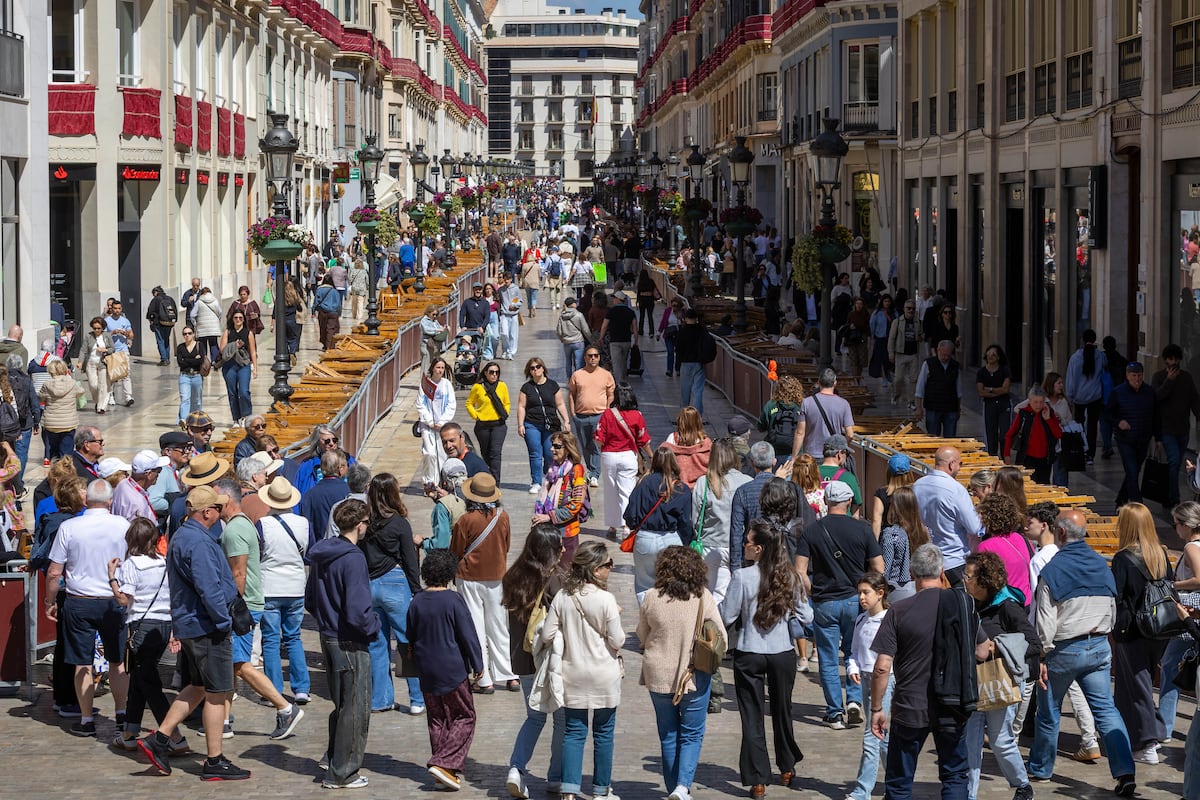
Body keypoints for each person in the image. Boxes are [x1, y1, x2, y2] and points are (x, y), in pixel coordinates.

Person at [135, 486, 251, 780]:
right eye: (218, 507)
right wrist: (223, 622)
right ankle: (214, 760)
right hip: (206, 626)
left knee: (199, 686)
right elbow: (208, 587)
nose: (222, 511)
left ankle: (159, 738)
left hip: (194, 624)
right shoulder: (197, 541)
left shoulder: (186, 536)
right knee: (216, 692)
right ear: (207, 512)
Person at [1026, 510, 1136, 795]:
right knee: (1106, 711)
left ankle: (1041, 769)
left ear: (1060, 533)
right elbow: (1112, 608)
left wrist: (1041, 655)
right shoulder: (1101, 564)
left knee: (1048, 711)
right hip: (1099, 644)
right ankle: (1125, 772)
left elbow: (1045, 620)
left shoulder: (1052, 569)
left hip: (1064, 648)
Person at [868, 544, 979, 800]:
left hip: (910, 706)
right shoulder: (962, 606)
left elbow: (882, 666)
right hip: (952, 703)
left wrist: (876, 709)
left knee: (898, 783)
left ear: (912, 572)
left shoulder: (899, 610)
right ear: (942, 571)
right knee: (954, 776)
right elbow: (983, 650)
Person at [721, 521, 805, 798]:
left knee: (752, 716)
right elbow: (808, 616)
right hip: (782, 652)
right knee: (783, 710)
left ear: (758, 549)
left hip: (750, 651)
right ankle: (787, 765)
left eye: (747, 541)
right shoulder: (789, 576)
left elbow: (727, 615)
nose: (744, 544)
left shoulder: (743, 577)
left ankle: (758, 779)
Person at [217, 478, 306, 739]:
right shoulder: (248, 524)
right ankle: (223, 721)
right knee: (236, 662)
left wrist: (232, 607)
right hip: (290, 588)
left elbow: (239, 574)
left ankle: (284, 706)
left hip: (249, 601)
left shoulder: (237, 529)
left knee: (240, 663)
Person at [44, 478, 130, 737]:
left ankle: (85, 718)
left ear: (85, 500)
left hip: (79, 601)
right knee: (117, 662)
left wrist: (49, 602)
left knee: (82, 664)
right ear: (111, 501)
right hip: (113, 600)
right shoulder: (123, 525)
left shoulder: (70, 527)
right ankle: (121, 714)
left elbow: (54, 572)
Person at [638, 546, 724, 800]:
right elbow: (721, 635)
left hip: (658, 672)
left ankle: (673, 787)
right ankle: (682, 787)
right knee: (692, 733)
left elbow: (642, 635)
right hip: (693, 673)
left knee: (668, 733)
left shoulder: (651, 597)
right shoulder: (702, 596)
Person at [796, 480, 884, 729]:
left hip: (825, 601)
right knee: (854, 653)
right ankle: (854, 701)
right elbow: (878, 567)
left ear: (825, 501)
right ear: (848, 502)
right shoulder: (863, 530)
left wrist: (813, 592)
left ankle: (834, 712)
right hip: (856, 600)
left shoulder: (812, 530)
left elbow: (799, 571)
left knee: (827, 656)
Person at [541, 541, 625, 800]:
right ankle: (601, 791)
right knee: (603, 734)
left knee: (574, 733)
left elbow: (547, 634)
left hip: (573, 673)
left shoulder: (563, 597)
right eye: (608, 564)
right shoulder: (606, 600)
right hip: (604, 674)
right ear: (595, 569)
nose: (611, 568)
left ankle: (569, 790)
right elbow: (618, 641)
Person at [305, 499, 380, 789]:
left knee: (341, 704)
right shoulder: (353, 558)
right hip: (350, 639)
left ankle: (333, 758)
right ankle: (343, 771)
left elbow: (310, 599)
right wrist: (373, 626)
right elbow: (358, 610)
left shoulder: (322, 555)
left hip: (328, 635)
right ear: (360, 524)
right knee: (355, 707)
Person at [406, 549, 485, 792]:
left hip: (426, 670)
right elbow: (468, 635)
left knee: (437, 719)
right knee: (465, 716)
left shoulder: (416, 600)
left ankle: (444, 772)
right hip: (452, 670)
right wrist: (478, 664)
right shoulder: (453, 600)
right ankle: (443, 762)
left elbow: (410, 634)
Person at [961, 552, 1038, 800]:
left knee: (1000, 740)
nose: (964, 579)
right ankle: (968, 794)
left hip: (998, 682)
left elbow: (1033, 643)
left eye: (969, 575)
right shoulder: (967, 603)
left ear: (984, 580)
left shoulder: (1007, 607)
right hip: (971, 682)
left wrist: (997, 646)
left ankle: (1022, 785)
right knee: (970, 742)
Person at [501, 524, 567, 799]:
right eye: (559, 546)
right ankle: (557, 777)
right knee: (562, 721)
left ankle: (516, 768)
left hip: (523, 660)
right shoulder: (556, 580)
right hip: (551, 661)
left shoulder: (513, 576)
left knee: (535, 717)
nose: (564, 549)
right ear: (550, 551)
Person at [106, 517, 184, 751]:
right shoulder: (163, 562)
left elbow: (123, 599)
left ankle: (175, 736)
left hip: (141, 625)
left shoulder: (132, 564)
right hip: (163, 625)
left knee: (148, 682)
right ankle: (130, 732)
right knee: (140, 678)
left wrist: (112, 578)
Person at [1111, 503, 1172, 763]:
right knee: (1133, 685)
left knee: (1137, 686)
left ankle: (1148, 741)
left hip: (1132, 630)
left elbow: (1117, 595)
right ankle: (1142, 734)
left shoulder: (1124, 558)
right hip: (1160, 628)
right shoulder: (1160, 554)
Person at [360, 473, 424, 715]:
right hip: (395, 583)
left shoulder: (365, 524)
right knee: (407, 643)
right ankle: (417, 699)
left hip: (371, 585)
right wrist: (416, 591)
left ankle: (381, 699)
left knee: (377, 644)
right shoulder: (399, 523)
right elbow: (410, 561)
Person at [451, 473, 517, 693]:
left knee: (476, 627)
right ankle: (510, 675)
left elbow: (456, 551)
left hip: (469, 577)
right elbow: (506, 546)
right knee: (499, 626)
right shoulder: (503, 516)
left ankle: (483, 679)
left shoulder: (465, 520)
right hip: (496, 576)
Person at [254, 476, 313, 704]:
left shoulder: (263, 524)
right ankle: (301, 688)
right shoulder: (303, 523)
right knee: (293, 637)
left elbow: (258, 553)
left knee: (270, 639)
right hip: (296, 586)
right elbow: (307, 552)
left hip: (269, 586)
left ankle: (274, 690)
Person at [624, 446, 694, 604]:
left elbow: (630, 515)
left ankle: (647, 623)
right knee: (671, 585)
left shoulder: (643, 483)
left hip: (645, 538)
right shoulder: (681, 488)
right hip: (671, 539)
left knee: (644, 586)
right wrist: (686, 543)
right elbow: (685, 522)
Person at [846, 572, 892, 800]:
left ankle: (862, 791)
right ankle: (897, 780)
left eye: (866, 592)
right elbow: (854, 651)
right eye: (860, 593)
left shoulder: (889, 620)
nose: (862, 597)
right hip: (864, 678)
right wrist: (852, 667)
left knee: (872, 735)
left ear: (880, 593)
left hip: (883, 681)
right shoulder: (861, 619)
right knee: (881, 734)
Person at [693, 438, 753, 605]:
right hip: (739, 546)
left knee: (710, 595)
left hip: (711, 545)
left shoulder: (703, 483)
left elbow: (696, 520)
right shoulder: (747, 481)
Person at [912, 447, 981, 585]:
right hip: (954, 561)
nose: (960, 468)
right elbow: (974, 528)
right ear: (951, 464)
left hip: (925, 559)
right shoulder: (956, 489)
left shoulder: (917, 485)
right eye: (960, 464)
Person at [1162, 501, 1200, 739]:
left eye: (1176, 524)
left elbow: (1199, 579)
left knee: (1169, 667)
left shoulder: (1190, 548)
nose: (1175, 529)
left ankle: (1164, 726)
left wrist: (1172, 585)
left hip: (1190, 611)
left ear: (1186, 525)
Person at [595, 381, 649, 538]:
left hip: (609, 456)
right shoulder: (637, 415)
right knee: (627, 491)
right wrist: (651, 455)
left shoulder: (607, 414)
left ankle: (612, 525)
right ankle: (627, 526)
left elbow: (599, 439)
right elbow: (643, 439)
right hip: (628, 456)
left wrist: (603, 448)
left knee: (611, 491)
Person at [1152, 343, 1200, 509]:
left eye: (1175, 359)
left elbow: (1194, 399)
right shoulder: (1159, 377)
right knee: (1173, 462)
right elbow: (1156, 397)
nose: (1172, 363)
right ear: (1165, 360)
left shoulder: (1186, 378)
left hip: (1183, 429)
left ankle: (1168, 494)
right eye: (1169, 359)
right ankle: (1174, 498)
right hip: (1167, 429)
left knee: (1176, 463)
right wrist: (1169, 381)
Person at [533, 431, 589, 567]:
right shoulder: (553, 468)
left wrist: (549, 517)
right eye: (552, 445)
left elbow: (576, 504)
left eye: (557, 446)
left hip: (566, 532)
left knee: (564, 571)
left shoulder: (577, 471)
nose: (552, 449)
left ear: (568, 449)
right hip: (548, 530)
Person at [1107, 361, 1157, 508]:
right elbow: (1107, 414)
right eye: (1134, 375)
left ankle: (1120, 500)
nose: (1137, 379)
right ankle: (1138, 505)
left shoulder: (1149, 392)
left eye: (1140, 375)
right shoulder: (1118, 392)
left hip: (1143, 439)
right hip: (1125, 439)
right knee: (1132, 471)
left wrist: (1158, 437)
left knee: (1133, 472)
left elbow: (1156, 415)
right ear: (1127, 376)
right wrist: (1119, 422)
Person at [518, 356, 570, 494]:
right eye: (532, 368)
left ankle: (549, 478)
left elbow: (560, 404)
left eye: (538, 367)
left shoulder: (552, 385)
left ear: (543, 368)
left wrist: (566, 420)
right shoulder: (526, 388)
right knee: (535, 453)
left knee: (550, 453)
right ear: (529, 371)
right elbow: (521, 406)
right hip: (532, 424)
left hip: (551, 425)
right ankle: (535, 481)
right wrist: (520, 424)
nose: (535, 370)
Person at [568, 344, 616, 486]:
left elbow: (611, 395)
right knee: (585, 446)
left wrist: (607, 411)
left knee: (596, 445)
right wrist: (572, 414)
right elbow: (571, 394)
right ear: (585, 358)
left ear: (599, 357)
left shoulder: (606, 375)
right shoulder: (577, 375)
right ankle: (591, 470)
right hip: (580, 416)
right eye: (590, 356)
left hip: (599, 416)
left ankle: (594, 473)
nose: (593, 358)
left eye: (596, 356)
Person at [976, 494, 1034, 604]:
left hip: (1004, 606)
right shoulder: (1023, 539)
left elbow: (984, 583)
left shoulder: (985, 546)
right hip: (1027, 602)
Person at [1002, 385, 1062, 485]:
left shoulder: (1049, 413)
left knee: (1044, 485)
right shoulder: (1023, 414)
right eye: (1035, 402)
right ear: (1029, 401)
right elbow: (1009, 435)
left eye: (1041, 402)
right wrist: (1007, 455)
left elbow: (1058, 434)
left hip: (1045, 460)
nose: (1038, 405)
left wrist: (1048, 420)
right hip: (1027, 459)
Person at [878, 487, 928, 603]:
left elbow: (885, 569)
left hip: (896, 590)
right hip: (919, 586)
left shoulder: (891, 534)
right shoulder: (924, 531)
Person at [1065, 330, 1108, 465]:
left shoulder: (1075, 358)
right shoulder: (1100, 357)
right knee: (1092, 425)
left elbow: (1071, 380)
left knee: (1079, 424)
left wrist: (1070, 396)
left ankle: (1080, 450)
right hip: (1095, 396)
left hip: (1078, 397)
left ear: (1082, 339)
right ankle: (1090, 454)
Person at [466, 360, 511, 482]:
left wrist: (505, 413)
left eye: (497, 372)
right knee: (485, 454)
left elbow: (507, 402)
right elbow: (469, 403)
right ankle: (487, 480)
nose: (494, 375)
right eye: (491, 372)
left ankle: (496, 483)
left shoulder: (502, 386)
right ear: (485, 373)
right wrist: (476, 415)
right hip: (482, 426)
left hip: (499, 425)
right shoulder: (478, 387)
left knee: (495, 454)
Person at [797, 368, 856, 458]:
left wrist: (794, 457)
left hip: (811, 454)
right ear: (835, 383)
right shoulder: (844, 404)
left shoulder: (807, 403)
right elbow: (850, 434)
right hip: (834, 455)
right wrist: (842, 448)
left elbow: (800, 433)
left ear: (819, 382)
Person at [416, 357, 456, 486]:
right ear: (433, 368)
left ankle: (440, 482)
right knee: (430, 453)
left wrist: (443, 421)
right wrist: (429, 421)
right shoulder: (425, 385)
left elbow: (451, 405)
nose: (440, 370)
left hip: (442, 426)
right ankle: (429, 482)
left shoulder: (447, 385)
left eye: (442, 368)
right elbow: (420, 404)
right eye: (438, 367)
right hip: (427, 426)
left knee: (442, 454)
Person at [915, 341, 963, 437]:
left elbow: (958, 390)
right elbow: (920, 387)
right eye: (943, 355)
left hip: (950, 407)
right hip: (933, 406)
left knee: (950, 437)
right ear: (938, 350)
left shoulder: (955, 366)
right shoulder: (928, 364)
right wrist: (918, 408)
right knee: (933, 437)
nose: (945, 358)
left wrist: (958, 409)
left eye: (948, 355)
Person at [218, 308, 257, 425]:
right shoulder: (228, 332)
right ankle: (236, 418)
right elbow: (222, 349)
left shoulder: (248, 333)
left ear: (244, 319)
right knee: (232, 393)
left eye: (240, 318)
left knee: (244, 391)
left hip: (244, 365)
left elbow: (253, 351)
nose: (238, 320)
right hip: (229, 365)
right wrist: (234, 345)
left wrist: (255, 368)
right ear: (232, 319)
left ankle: (246, 416)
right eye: (236, 318)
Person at [674, 309, 716, 417]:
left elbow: (678, 348)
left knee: (685, 391)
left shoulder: (682, 332)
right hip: (699, 363)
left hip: (686, 363)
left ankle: (683, 415)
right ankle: (698, 416)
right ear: (696, 318)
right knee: (698, 391)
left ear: (686, 318)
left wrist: (677, 364)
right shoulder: (702, 331)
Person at [38, 359, 83, 459]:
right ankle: (66, 468)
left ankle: (53, 465)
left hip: (51, 423)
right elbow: (81, 392)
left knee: (52, 450)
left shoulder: (47, 384)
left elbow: (41, 397)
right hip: (68, 422)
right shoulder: (73, 383)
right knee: (67, 452)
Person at [758, 375, 805, 462]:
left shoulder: (771, 405)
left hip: (774, 452)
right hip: (796, 452)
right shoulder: (802, 406)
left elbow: (760, 426)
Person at [976, 344, 1013, 457]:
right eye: (989, 353)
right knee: (990, 434)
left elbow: (1005, 389)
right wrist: (997, 393)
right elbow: (981, 392)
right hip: (989, 405)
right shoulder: (981, 372)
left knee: (1004, 434)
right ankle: (992, 457)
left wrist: (990, 389)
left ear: (998, 357)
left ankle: (1004, 457)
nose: (990, 356)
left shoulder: (1005, 371)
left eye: (994, 354)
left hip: (1004, 404)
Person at [663, 406, 712, 488]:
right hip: (701, 487)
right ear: (698, 421)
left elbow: (664, 462)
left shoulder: (672, 439)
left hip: (678, 487)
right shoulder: (706, 442)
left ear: (680, 421)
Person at [888, 299, 924, 408]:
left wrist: (921, 337)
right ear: (904, 309)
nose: (911, 310)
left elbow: (922, 335)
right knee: (898, 378)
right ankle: (896, 394)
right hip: (900, 353)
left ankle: (911, 401)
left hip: (913, 354)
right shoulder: (897, 321)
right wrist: (891, 353)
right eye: (908, 308)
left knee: (913, 379)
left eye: (913, 308)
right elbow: (891, 338)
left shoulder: (918, 322)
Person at [75, 317, 115, 414]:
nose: (97, 330)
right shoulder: (89, 337)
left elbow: (112, 348)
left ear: (102, 328)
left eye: (99, 328)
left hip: (103, 363)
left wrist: (105, 350)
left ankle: (101, 407)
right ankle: (98, 401)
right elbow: (83, 350)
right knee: (93, 385)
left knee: (103, 385)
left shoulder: (107, 336)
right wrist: (80, 361)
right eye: (95, 328)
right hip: (91, 363)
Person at [871, 453, 915, 536]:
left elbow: (876, 520)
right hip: (911, 537)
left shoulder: (881, 493)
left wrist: (874, 545)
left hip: (889, 539)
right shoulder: (915, 491)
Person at [600, 290, 637, 384]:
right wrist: (636, 341)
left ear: (618, 299)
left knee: (616, 363)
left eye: (614, 298)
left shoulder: (611, 311)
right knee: (624, 362)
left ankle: (618, 383)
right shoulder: (630, 312)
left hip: (614, 341)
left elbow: (604, 326)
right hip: (627, 340)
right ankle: (623, 380)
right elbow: (635, 328)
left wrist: (601, 337)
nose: (613, 300)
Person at [104, 300, 136, 406]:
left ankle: (128, 396)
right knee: (112, 375)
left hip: (123, 350)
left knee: (126, 373)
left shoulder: (125, 321)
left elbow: (131, 335)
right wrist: (113, 332)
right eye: (115, 308)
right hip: (112, 351)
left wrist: (126, 334)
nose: (117, 310)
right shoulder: (107, 321)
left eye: (119, 308)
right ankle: (111, 396)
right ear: (111, 309)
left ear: (121, 309)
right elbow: (102, 336)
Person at [555, 296, 591, 380]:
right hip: (578, 342)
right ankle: (578, 379)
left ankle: (569, 379)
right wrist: (591, 341)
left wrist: (562, 339)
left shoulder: (562, 316)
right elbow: (585, 330)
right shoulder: (579, 315)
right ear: (574, 304)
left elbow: (558, 331)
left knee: (568, 362)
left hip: (567, 342)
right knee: (578, 362)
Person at [192, 287, 224, 364]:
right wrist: (217, 321)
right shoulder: (215, 301)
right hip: (213, 327)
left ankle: (204, 361)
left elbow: (192, 315)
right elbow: (220, 312)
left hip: (202, 327)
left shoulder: (198, 302)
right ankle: (215, 361)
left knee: (202, 345)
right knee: (213, 344)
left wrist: (195, 323)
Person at [657, 297, 687, 377]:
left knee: (678, 352)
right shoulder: (668, 311)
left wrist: (680, 319)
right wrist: (659, 333)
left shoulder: (683, 312)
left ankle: (678, 369)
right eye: (673, 305)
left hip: (679, 334)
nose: (674, 308)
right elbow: (663, 322)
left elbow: (686, 324)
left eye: (676, 306)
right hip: (669, 334)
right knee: (670, 352)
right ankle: (669, 369)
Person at [497, 271, 523, 360]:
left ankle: (511, 352)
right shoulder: (501, 290)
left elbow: (519, 300)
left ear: (511, 279)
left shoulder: (515, 289)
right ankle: (505, 350)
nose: (506, 281)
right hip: (504, 314)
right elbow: (498, 299)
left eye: (508, 279)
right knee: (504, 333)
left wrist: (515, 305)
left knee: (513, 334)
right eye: (505, 279)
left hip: (513, 314)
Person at [314, 274, 343, 351]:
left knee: (323, 328)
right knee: (331, 329)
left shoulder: (319, 289)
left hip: (322, 312)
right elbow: (339, 303)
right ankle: (329, 345)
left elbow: (316, 302)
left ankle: (325, 344)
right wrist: (339, 313)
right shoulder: (335, 291)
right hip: (333, 312)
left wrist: (313, 311)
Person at [419, 304, 447, 375]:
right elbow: (427, 330)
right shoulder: (424, 321)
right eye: (433, 314)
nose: (434, 316)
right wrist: (438, 330)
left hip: (434, 344)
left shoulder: (435, 321)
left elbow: (439, 327)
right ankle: (423, 380)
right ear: (428, 313)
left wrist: (444, 329)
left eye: (436, 314)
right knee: (426, 363)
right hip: (426, 344)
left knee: (432, 362)